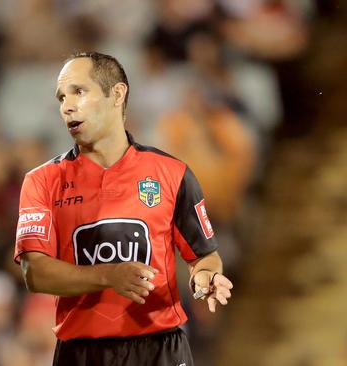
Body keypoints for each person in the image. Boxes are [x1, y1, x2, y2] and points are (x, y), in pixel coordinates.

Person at [14, 52, 233, 366]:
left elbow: (203, 256)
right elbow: (35, 273)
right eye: (62, 97)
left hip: (160, 349)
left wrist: (206, 277)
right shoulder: (42, 181)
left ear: (116, 94)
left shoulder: (171, 173)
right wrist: (108, 276)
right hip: (83, 353)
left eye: (79, 91)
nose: (67, 106)